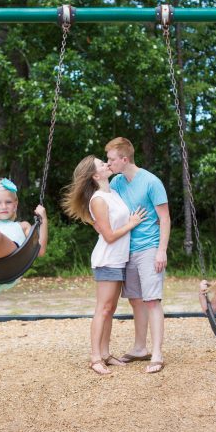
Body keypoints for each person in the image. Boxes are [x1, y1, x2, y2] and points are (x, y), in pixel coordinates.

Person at [62, 156, 148, 375]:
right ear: (95, 175)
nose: (106, 164)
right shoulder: (98, 199)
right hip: (108, 259)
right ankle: (94, 357)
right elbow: (109, 236)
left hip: (120, 259)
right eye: (101, 164)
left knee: (110, 309)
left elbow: (102, 227)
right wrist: (131, 224)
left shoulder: (114, 194)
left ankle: (106, 354)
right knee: (103, 308)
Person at [105, 137, 170, 374]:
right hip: (126, 250)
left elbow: (165, 218)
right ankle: (140, 348)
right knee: (135, 300)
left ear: (124, 159)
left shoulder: (151, 182)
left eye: (111, 159)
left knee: (152, 300)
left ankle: (157, 353)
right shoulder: (116, 183)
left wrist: (161, 250)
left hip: (149, 247)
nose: (108, 163)